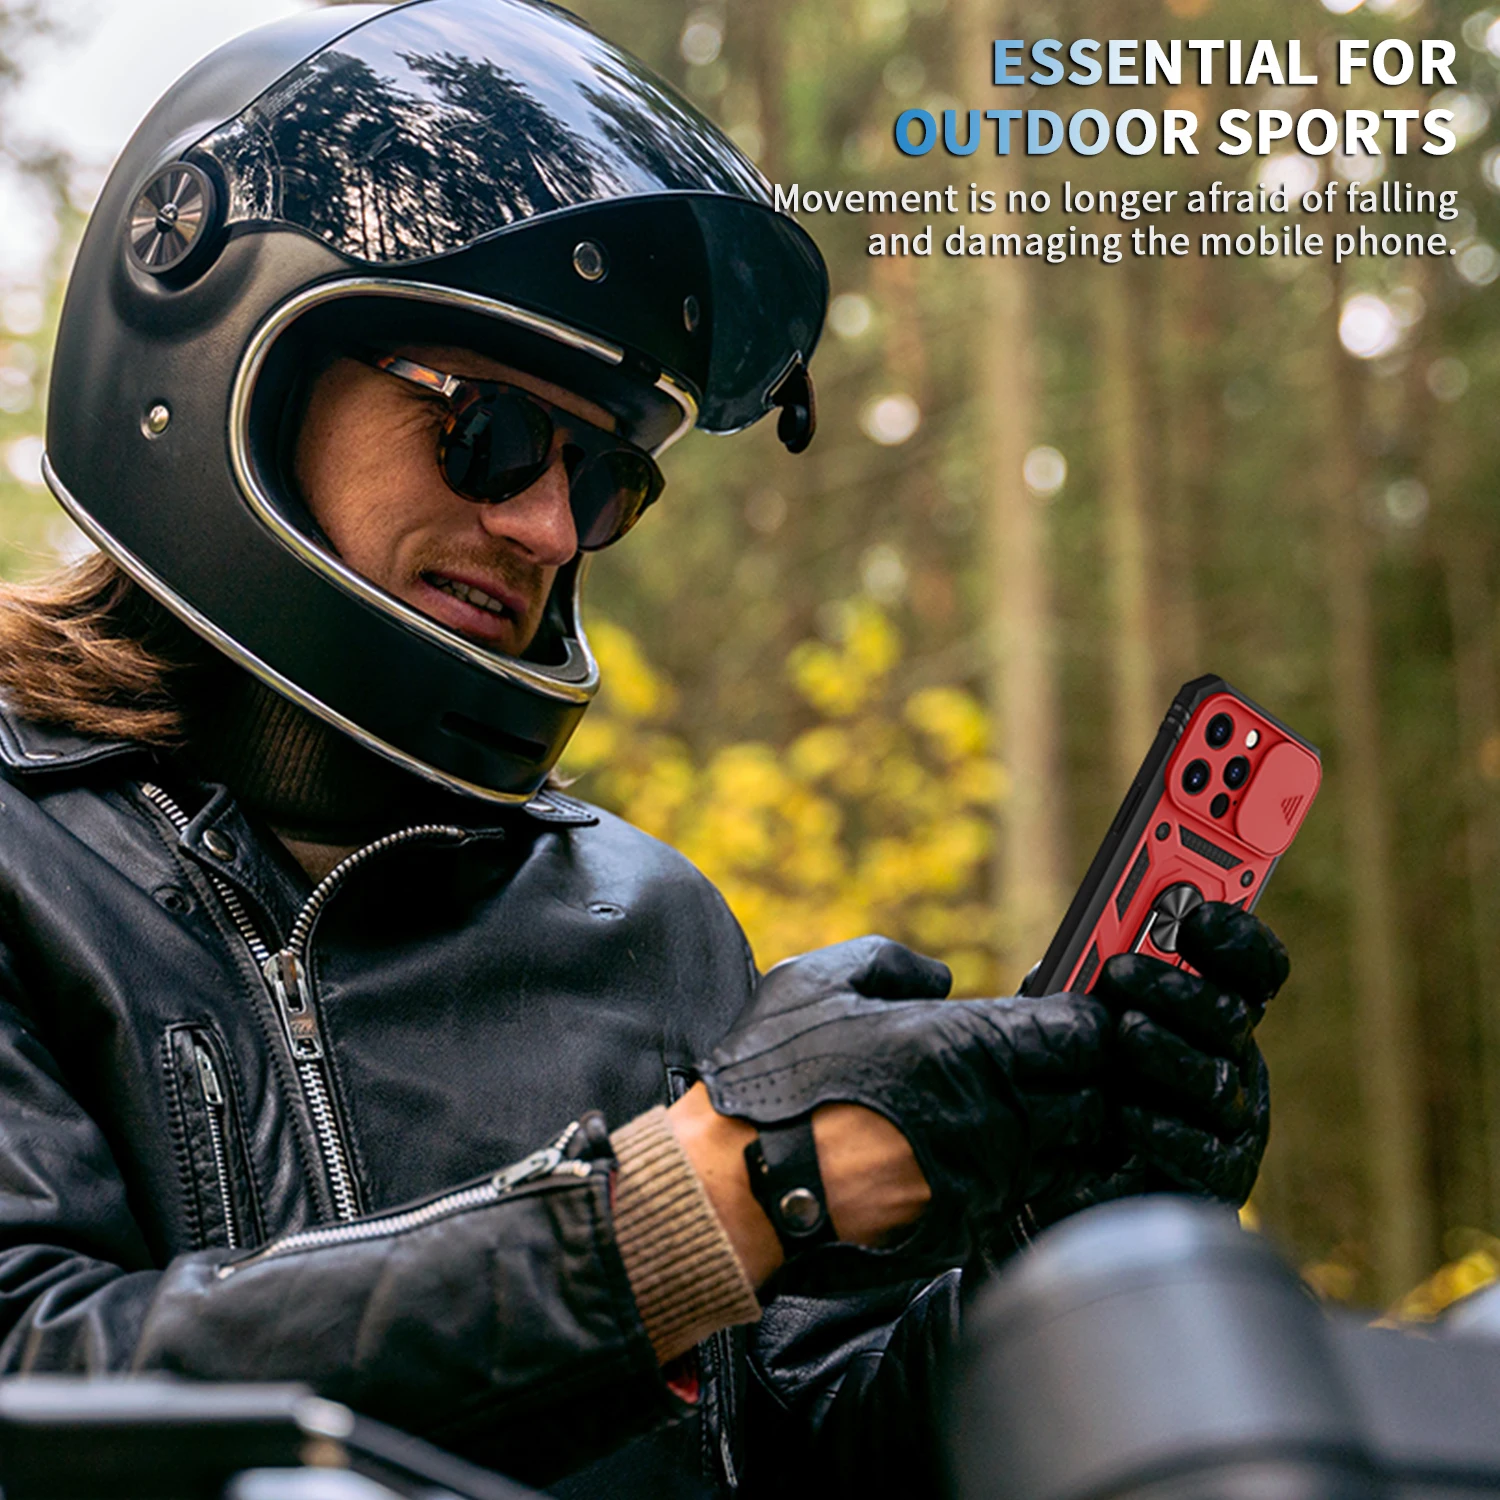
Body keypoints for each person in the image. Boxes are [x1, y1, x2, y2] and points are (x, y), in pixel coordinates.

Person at [0, 3, 1288, 1496]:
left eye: (605, 475)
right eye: (488, 431)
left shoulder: (645, 925)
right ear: (240, 363)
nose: (550, 526)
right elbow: (39, 1373)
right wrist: (709, 1200)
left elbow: (798, 1455)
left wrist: (1051, 1266)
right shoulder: (28, 863)